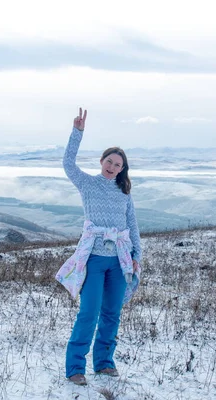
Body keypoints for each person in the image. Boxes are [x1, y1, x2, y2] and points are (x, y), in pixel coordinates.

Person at [55, 107, 142, 386]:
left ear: (122, 169)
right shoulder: (88, 184)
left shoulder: (124, 192)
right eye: (110, 161)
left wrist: (137, 256)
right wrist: (77, 132)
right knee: (88, 313)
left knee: (111, 313)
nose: (113, 167)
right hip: (93, 258)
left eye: (118, 165)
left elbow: (132, 226)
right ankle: (75, 368)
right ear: (102, 160)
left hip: (119, 260)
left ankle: (104, 364)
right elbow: (68, 164)